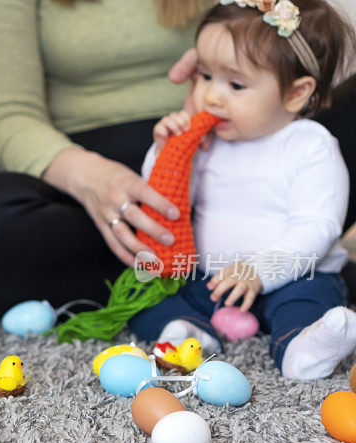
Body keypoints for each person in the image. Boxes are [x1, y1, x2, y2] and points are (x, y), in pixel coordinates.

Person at [0, 0, 356, 320]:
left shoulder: (301, 142)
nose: (212, 89)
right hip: (85, 166)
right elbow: (6, 113)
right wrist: (92, 177)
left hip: (253, 140)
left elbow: (297, 32)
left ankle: (282, 264)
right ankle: (189, 281)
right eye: (204, 78)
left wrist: (237, 59)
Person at [125, 0, 356, 380]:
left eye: (235, 84)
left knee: (309, 297)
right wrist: (166, 153)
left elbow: (317, 226)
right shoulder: (207, 139)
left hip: (292, 273)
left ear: (296, 94)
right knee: (147, 286)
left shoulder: (310, 146)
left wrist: (260, 271)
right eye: (204, 76)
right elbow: (169, 200)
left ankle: (301, 344)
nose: (212, 97)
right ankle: (188, 331)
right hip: (209, 275)